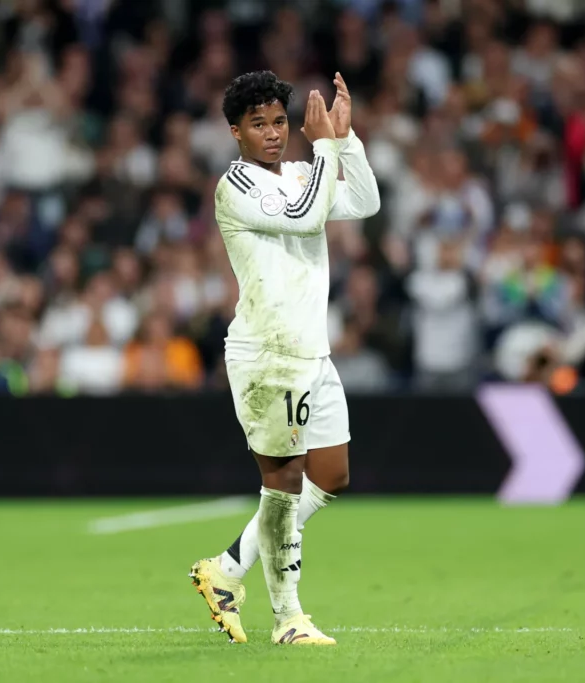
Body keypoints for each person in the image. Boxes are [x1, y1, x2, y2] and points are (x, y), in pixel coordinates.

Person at [189, 70, 380, 646]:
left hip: (312, 352)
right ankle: (288, 619)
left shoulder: (303, 172)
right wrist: (325, 149)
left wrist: (345, 141)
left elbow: (366, 202)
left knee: (332, 475)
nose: (272, 134)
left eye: (278, 122)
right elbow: (305, 217)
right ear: (235, 133)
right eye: (258, 125)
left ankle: (224, 571)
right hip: (268, 353)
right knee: (284, 484)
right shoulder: (237, 187)